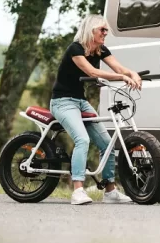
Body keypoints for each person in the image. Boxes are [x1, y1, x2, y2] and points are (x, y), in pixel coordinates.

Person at [49, 14, 142, 205]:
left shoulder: (100, 50)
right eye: (102, 29)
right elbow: (92, 72)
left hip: (80, 101)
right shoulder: (75, 49)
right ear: (91, 31)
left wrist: (132, 73)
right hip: (62, 102)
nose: (106, 33)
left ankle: (110, 191)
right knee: (82, 139)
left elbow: (119, 68)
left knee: (107, 143)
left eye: (106, 30)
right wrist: (122, 78)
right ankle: (78, 191)